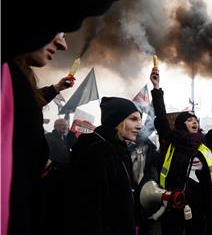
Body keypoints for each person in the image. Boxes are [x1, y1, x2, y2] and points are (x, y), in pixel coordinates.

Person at [150, 68, 212, 235]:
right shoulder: (172, 139)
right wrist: (157, 89)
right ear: (181, 124)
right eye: (189, 120)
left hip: (202, 204)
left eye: (196, 120)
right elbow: (161, 117)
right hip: (174, 202)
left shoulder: (205, 141)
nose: (194, 122)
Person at [2, 32, 74, 235]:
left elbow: (26, 104)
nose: (62, 44)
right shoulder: (6, 73)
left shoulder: (16, 76)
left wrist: (55, 88)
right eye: (56, 31)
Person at [64, 97, 142, 235]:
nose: (140, 126)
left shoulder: (120, 150)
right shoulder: (99, 152)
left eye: (139, 120)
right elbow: (89, 211)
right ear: (117, 120)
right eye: (133, 119)